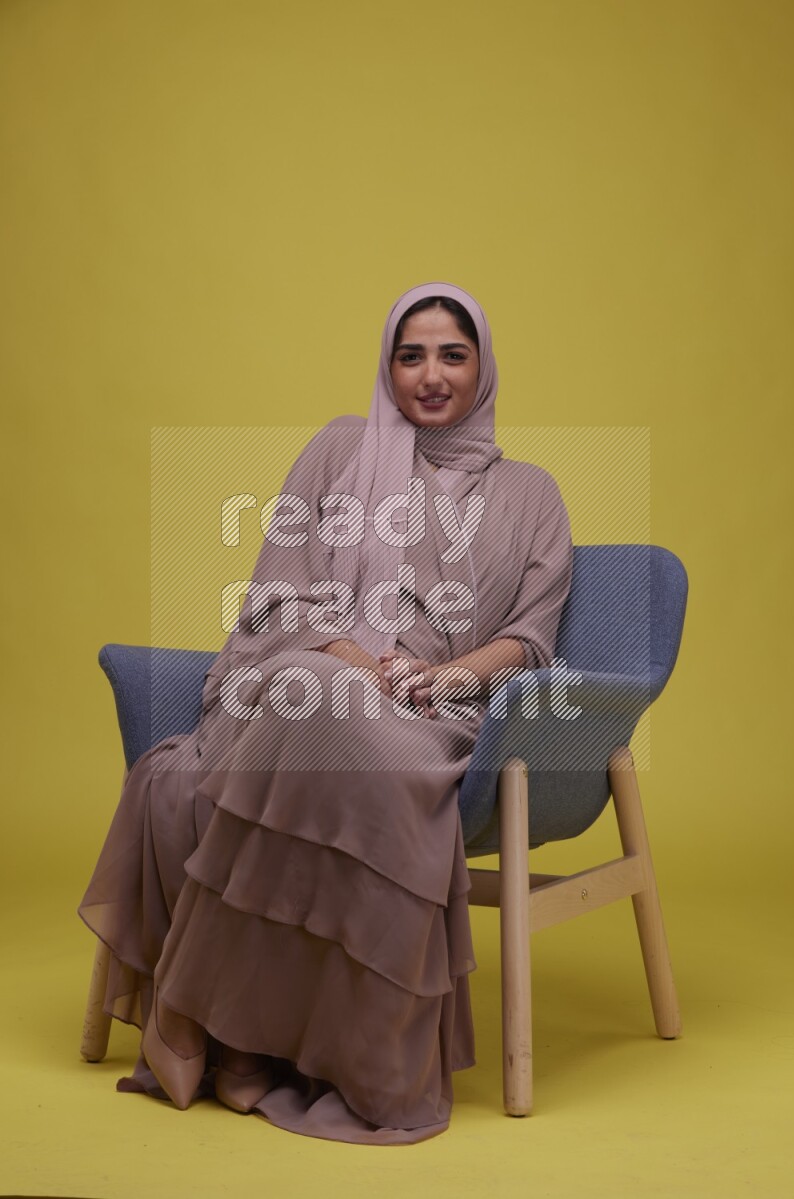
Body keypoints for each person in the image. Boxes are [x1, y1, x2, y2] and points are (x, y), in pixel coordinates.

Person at [79, 282, 573, 1145]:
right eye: (409, 354)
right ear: (387, 365)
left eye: (452, 354)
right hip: (315, 673)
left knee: (319, 707)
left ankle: (204, 1022)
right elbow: (278, 593)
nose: (430, 375)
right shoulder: (342, 448)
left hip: (437, 710)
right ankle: (235, 1036)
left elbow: (530, 643)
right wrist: (351, 663)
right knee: (316, 694)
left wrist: (440, 676)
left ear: (483, 367)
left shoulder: (534, 494)